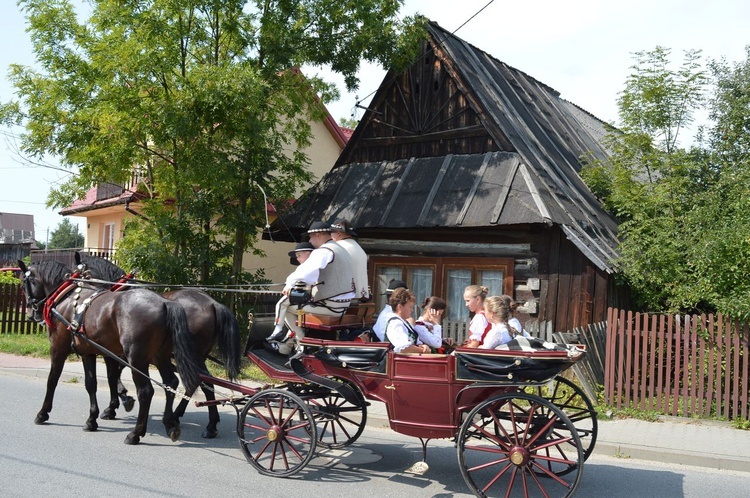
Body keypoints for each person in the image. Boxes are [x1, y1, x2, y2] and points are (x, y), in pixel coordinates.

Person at [266, 221, 355, 354]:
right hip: (343, 306)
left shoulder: (324, 251)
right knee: (289, 305)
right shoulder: (341, 249)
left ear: (318, 235)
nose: (310, 241)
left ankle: (298, 342)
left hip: (331, 306)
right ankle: (291, 343)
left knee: (286, 307)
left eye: (310, 237)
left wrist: (289, 283)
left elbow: (305, 272)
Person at [384, 288, 436, 354]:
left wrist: (422, 346)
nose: (412, 310)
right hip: (397, 363)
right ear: (400, 307)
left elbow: (413, 342)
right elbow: (404, 348)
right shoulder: (395, 324)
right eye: (410, 307)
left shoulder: (405, 323)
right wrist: (422, 350)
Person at [330, 218, 370, 301]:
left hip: (346, 299)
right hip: (362, 296)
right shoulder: (358, 247)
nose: (330, 236)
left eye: (331, 232)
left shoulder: (339, 248)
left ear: (338, 233)